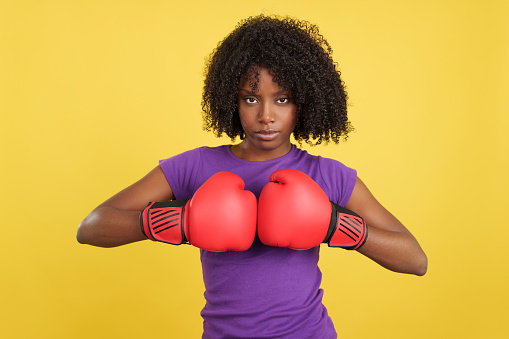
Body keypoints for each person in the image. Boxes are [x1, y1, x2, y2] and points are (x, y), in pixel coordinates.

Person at [77, 14, 427, 338]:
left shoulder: (326, 175)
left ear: (303, 102)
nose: (266, 116)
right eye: (250, 99)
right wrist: (177, 221)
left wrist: (336, 226)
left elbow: (415, 259)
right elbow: (91, 227)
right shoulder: (195, 167)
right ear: (232, 100)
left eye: (283, 99)